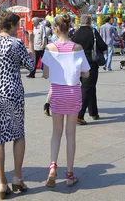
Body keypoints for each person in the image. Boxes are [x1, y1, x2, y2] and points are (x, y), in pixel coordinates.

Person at [0, 11, 35, 199]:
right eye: (17, 26)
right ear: (11, 25)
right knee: (18, 134)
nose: (18, 30)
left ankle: (1, 183)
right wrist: (31, 43)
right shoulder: (16, 43)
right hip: (12, 92)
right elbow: (31, 65)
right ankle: (17, 178)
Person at [42, 14, 90, 189]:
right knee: (71, 134)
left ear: (55, 29)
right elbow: (86, 72)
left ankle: (53, 166)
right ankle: (70, 174)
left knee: (56, 133)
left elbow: (46, 74)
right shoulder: (77, 48)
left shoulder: (49, 48)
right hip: (73, 92)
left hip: (57, 93)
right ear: (69, 28)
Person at [72, 14, 107, 125]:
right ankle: (79, 115)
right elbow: (103, 46)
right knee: (87, 88)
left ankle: (93, 112)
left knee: (90, 87)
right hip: (90, 63)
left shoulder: (76, 33)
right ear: (90, 22)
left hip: (78, 63)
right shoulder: (92, 32)